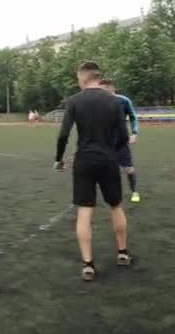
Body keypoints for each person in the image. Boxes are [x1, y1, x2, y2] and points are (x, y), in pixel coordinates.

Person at [54, 61, 131, 281]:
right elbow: (124, 137)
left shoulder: (74, 101)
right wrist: (112, 152)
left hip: (84, 161)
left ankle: (88, 265)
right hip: (108, 160)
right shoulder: (115, 101)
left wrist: (59, 159)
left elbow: (63, 135)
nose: (78, 81)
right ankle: (122, 253)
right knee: (116, 206)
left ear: (85, 77)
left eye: (78, 78)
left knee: (85, 211)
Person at [100, 78, 141, 202]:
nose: (104, 91)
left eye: (106, 88)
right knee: (106, 169)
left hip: (121, 142)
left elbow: (133, 117)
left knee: (128, 169)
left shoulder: (123, 100)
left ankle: (134, 192)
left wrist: (134, 133)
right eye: (102, 88)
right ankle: (110, 192)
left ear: (112, 88)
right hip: (105, 142)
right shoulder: (98, 102)